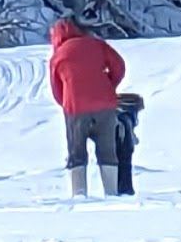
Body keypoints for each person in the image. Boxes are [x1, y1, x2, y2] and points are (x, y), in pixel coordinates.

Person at [49, 17, 126, 197]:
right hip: (105, 105)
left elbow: (56, 89)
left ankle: (79, 194)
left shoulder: (58, 56)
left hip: (75, 108)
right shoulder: (96, 45)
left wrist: (68, 102)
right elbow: (119, 66)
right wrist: (109, 86)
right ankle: (111, 192)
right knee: (108, 150)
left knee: (77, 151)